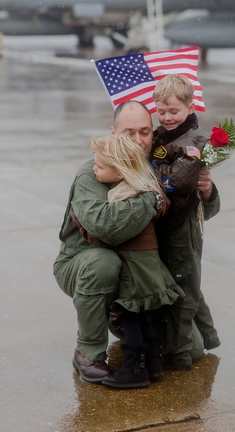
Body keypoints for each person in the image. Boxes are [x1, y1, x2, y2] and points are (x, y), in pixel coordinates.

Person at [55, 102, 166, 383]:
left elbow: (189, 219)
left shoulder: (154, 166)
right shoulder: (91, 173)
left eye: (145, 132)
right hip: (82, 263)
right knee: (105, 263)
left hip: (134, 265)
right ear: (113, 132)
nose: (139, 141)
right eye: (130, 133)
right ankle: (88, 352)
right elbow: (106, 227)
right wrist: (151, 198)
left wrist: (207, 190)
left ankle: (132, 326)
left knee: (186, 347)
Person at [86, 134, 184, 388]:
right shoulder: (147, 188)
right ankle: (153, 365)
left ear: (120, 173)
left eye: (100, 166)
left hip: (133, 265)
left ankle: (134, 370)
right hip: (148, 262)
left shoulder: (123, 195)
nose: (93, 169)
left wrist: (84, 225)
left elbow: (108, 230)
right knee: (143, 316)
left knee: (129, 315)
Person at [150, 74, 221, 370]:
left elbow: (176, 183)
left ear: (191, 108)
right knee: (182, 280)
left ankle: (179, 355)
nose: (166, 117)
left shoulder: (194, 143)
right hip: (163, 226)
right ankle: (208, 334)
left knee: (186, 286)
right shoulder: (158, 137)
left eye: (173, 111)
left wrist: (208, 189)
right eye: (161, 111)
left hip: (183, 226)